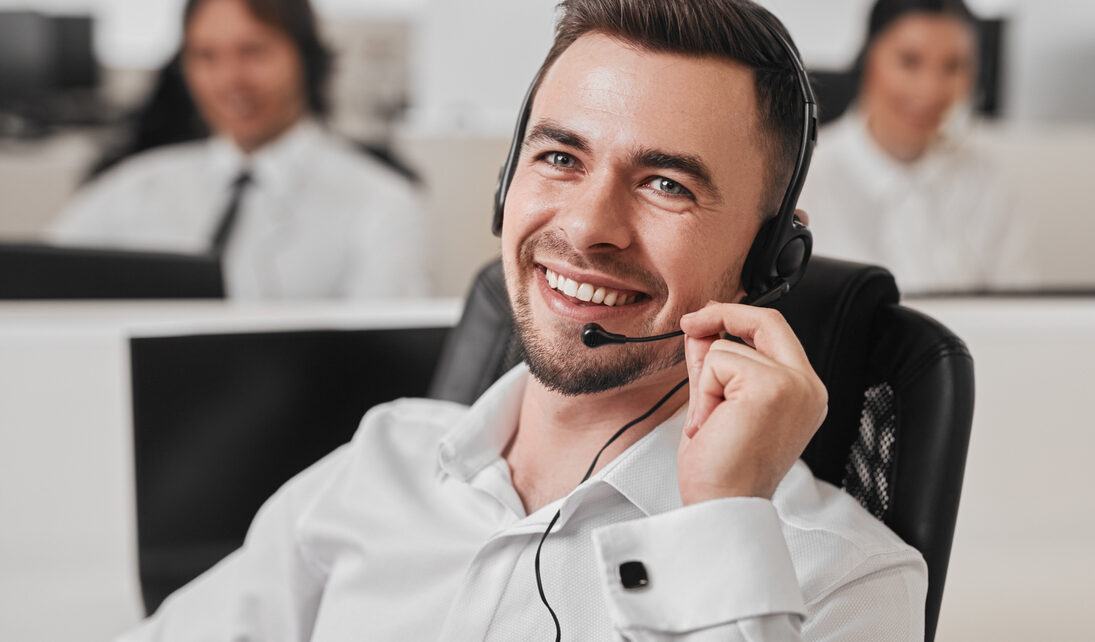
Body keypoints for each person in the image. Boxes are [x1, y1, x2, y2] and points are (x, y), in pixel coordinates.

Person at [116, 0, 927, 639]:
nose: (586, 226)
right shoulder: (379, 465)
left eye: (666, 184)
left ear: (771, 259)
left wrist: (717, 525)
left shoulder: (841, 578)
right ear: (506, 188)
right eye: (560, 158)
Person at [48, 0, 430, 299]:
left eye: (253, 51)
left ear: (304, 56)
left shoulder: (382, 203)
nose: (231, 79)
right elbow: (40, 288)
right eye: (207, 56)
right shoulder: (127, 190)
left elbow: (388, 365)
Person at [799, 0, 1031, 294]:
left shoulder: (987, 181)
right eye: (910, 61)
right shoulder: (805, 179)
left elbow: (1019, 310)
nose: (930, 89)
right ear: (869, 58)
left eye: (953, 66)